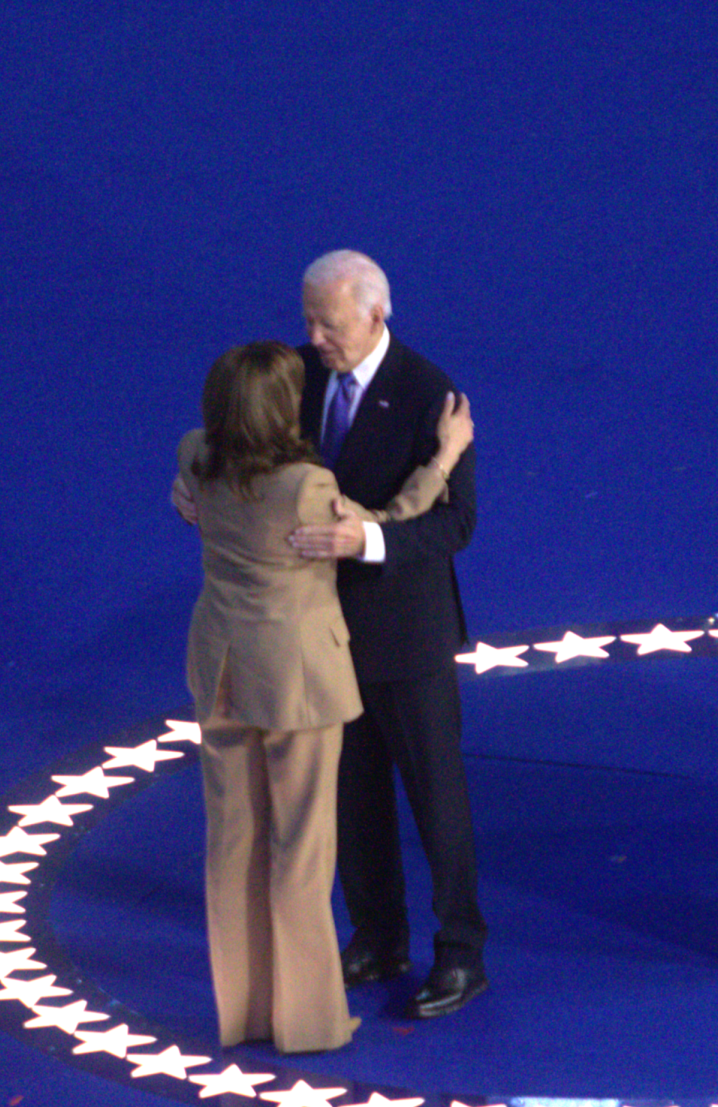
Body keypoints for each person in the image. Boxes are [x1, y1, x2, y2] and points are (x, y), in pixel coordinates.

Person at [177, 340, 472, 1052]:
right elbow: (384, 521)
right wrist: (443, 459)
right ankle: (307, 1023)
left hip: (221, 674)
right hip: (296, 682)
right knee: (299, 852)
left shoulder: (193, 456)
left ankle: (245, 1011)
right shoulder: (304, 486)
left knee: (233, 846)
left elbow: (192, 501)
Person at [288, 250, 488, 1019]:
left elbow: (455, 523)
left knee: (436, 802)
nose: (314, 337)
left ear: (376, 315)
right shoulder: (299, 377)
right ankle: (377, 937)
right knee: (354, 797)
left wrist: (362, 544)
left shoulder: (428, 393)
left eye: (328, 323)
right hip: (325, 636)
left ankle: (462, 953)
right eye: (306, 319)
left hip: (406, 639)